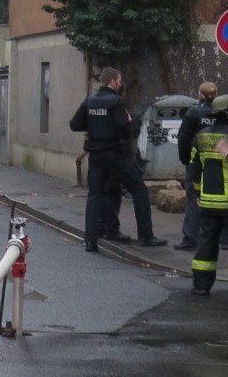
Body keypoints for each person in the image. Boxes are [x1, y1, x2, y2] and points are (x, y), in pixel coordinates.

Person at [70, 67, 166, 252]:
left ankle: (91, 240)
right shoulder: (116, 102)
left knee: (95, 195)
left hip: (96, 156)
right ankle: (146, 235)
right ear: (113, 81)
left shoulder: (89, 101)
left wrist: (93, 125)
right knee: (139, 190)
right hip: (115, 154)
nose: (121, 84)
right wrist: (131, 121)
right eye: (120, 81)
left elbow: (75, 124)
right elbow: (124, 126)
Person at [189, 92, 228, 297]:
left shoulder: (200, 136)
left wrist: (198, 193)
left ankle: (201, 285)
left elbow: (194, 170)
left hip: (208, 203)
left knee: (206, 242)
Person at [174, 79, 220, 251]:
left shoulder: (194, 113)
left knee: (194, 198)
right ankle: (220, 239)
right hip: (218, 161)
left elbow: (183, 138)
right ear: (216, 95)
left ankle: (190, 237)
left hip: (197, 162)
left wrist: (185, 159)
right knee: (218, 199)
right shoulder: (220, 113)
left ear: (200, 95)